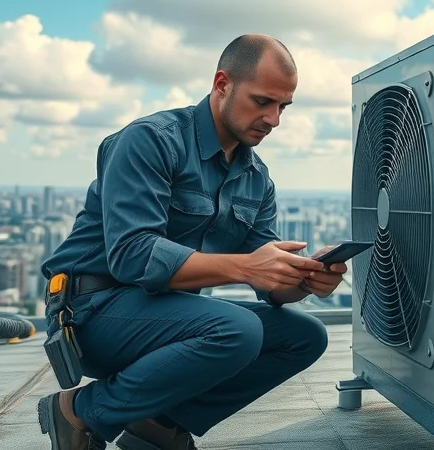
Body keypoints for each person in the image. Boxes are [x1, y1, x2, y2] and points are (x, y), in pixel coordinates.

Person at [36, 34, 347, 450]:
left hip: (167, 317)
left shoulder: (255, 178)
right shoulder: (151, 140)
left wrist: (305, 278)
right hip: (92, 312)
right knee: (237, 330)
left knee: (305, 335)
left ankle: (159, 423)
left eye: (283, 107)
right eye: (262, 102)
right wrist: (244, 266)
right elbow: (131, 257)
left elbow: (271, 286)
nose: (274, 119)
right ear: (222, 85)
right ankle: (82, 411)